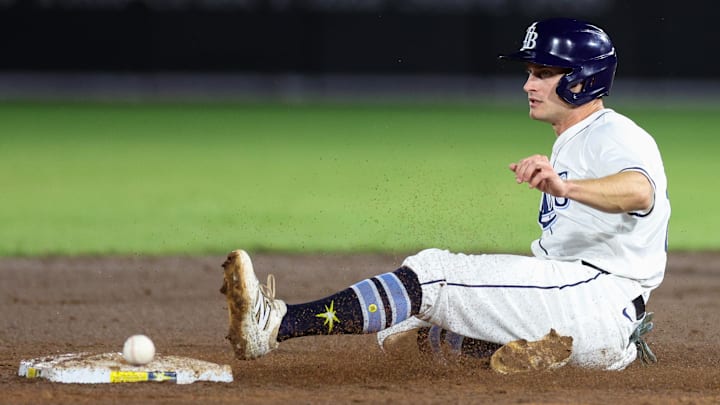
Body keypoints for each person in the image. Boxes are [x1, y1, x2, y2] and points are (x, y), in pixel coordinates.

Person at [219, 18, 671, 373]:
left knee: (433, 274)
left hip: (594, 300)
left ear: (582, 79)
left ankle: (276, 323)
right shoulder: (573, 137)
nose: (528, 84)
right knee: (399, 328)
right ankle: (519, 358)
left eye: (544, 73)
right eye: (530, 72)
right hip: (587, 314)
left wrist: (565, 186)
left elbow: (639, 190)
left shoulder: (612, 133)